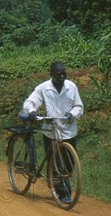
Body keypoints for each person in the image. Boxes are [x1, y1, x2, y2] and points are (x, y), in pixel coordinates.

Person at [22, 61, 83, 204]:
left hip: (68, 131)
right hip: (51, 131)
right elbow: (29, 102)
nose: (62, 76)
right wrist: (32, 111)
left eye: (64, 72)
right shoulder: (43, 88)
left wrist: (72, 114)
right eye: (58, 73)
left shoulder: (71, 87)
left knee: (69, 164)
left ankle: (58, 184)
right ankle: (62, 193)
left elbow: (79, 106)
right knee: (56, 163)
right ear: (51, 74)